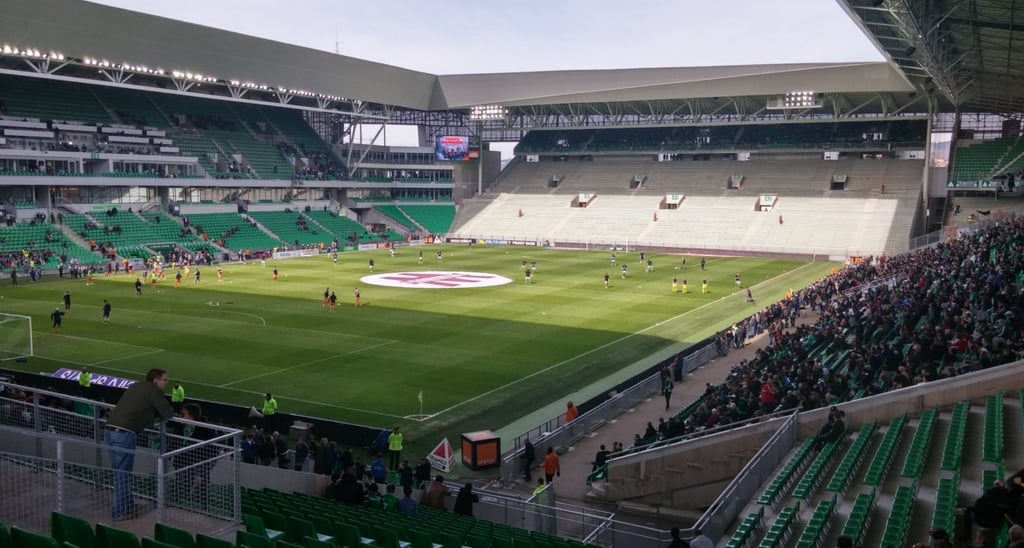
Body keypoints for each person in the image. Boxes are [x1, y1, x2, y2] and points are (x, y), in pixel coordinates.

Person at [106, 368, 174, 520]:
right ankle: (120, 513)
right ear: (156, 380)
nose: (166, 383)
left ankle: (127, 507)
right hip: (124, 433)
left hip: (110, 430)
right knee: (122, 474)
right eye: (165, 380)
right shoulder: (154, 391)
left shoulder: (137, 385)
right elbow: (167, 413)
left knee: (120, 472)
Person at [176, 402, 216, 510]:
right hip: (182, 468)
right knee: (182, 495)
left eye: (183, 414)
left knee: (199, 498)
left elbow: (212, 453)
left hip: (199, 471)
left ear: (191, 416)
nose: (181, 417)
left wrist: (201, 473)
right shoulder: (180, 428)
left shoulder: (206, 431)